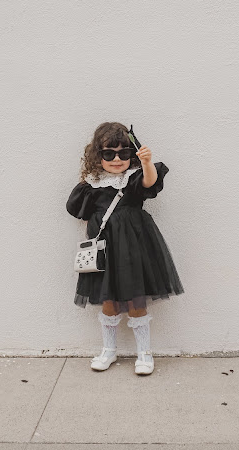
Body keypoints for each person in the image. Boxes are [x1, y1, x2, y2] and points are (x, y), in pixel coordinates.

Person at [66, 121, 184, 375]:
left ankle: (144, 352)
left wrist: (146, 162)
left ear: (132, 154)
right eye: (109, 154)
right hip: (105, 251)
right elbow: (76, 209)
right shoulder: (92, 184)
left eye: (123, 153)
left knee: (136, 300)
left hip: (134, 248)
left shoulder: (133, 178)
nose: (117, 159)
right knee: (107, 300)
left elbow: (150, 183)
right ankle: (109, 350)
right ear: (98, 156)